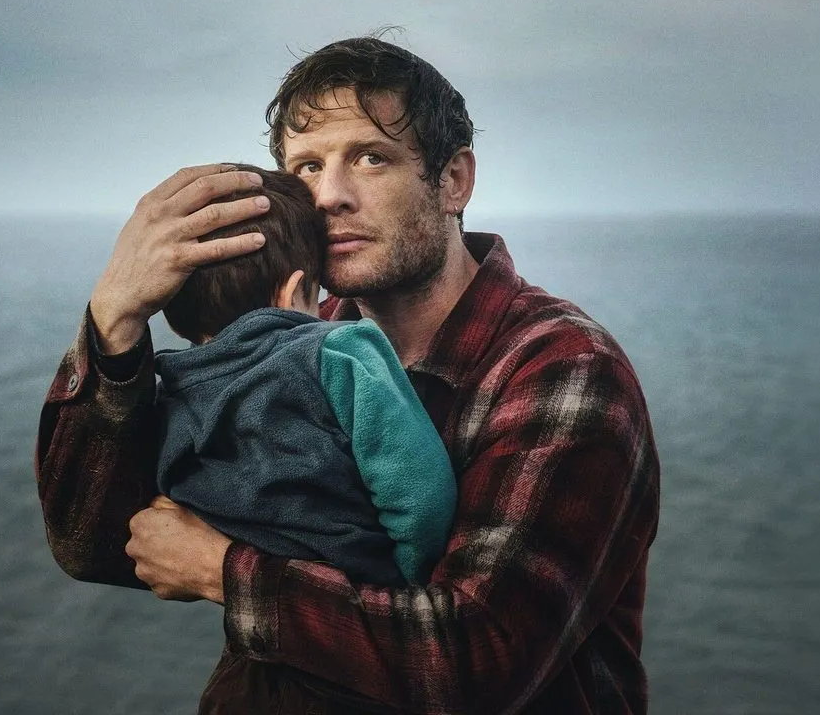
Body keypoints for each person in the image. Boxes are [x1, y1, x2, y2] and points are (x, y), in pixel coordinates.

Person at [35, 36, 661, 714]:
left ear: (454, 181)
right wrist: (115, 322)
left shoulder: (562, 369)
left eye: (370, 157)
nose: (329, 196)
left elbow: (476, 662)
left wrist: (222, 571)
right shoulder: (290, 341)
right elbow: (93, 544)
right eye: (306, 166)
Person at [156, 163, 456, 588]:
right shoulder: (341, 350)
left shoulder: (170, 396)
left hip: (245, 595)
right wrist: (408, 577)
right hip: (368, 588)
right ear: (294, 291)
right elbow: (422, 497)